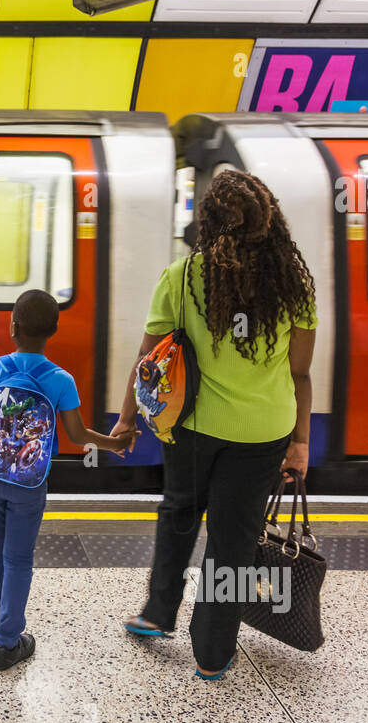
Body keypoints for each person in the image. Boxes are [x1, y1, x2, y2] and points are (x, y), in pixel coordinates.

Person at [111, 169, 317, 681]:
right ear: (269, 222)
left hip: (192, 429)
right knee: (235, 543)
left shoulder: (182, 278)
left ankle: (159, 613)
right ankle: (213, 651)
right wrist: (301, 443)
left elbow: (148, 359)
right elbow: (300, 372)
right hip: (263, 434)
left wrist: (126, 418)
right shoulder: (293, 286)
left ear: (207, 223)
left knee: (180, 512)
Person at [0, 290, 135, 671]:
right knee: (18, 558)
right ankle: (7, 643)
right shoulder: (60, 380)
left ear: (12, 326)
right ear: (53, 331)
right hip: (28, 484)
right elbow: (78, 436)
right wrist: (113, 443)